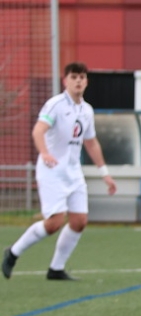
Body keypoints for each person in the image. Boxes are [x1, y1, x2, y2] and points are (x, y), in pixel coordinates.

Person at [3, 62, 118, 282]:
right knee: (54, 222)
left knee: (79, 221)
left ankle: (56, 269)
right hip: (51, 171)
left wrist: (105, 173)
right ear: (66, 81)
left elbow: (91, 142)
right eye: (74, 77)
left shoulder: (87, 110)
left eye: (82, 77)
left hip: (73, 172)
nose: (78, 81)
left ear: (86, 81)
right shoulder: (55, 104)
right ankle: (13, 252)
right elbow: (38, 131)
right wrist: (45, 153)